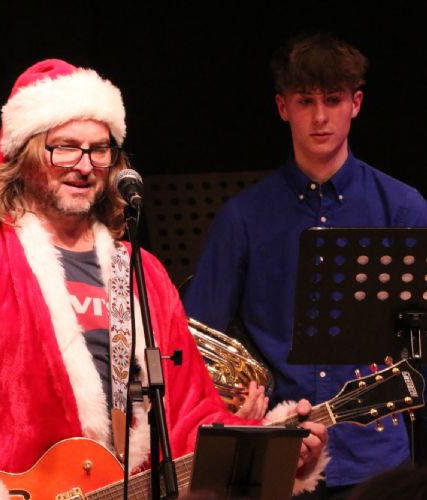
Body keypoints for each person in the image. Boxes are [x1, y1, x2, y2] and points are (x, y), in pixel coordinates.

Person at [0, 58, 328, 499]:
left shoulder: (141, 273)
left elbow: (188, 417)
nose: (84, 166)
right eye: (65, 147)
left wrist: (277, 452)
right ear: (25, 155)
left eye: (99, 149)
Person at [183, 32, 427, 499]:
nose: (319, 117)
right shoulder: (243, 218)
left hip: (375, 458)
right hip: (277, 458)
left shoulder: (403, 209)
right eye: (305, 101)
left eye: (333, 100)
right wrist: (235, 409)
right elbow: (196, 343)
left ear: (356, 104)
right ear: (283, 107)